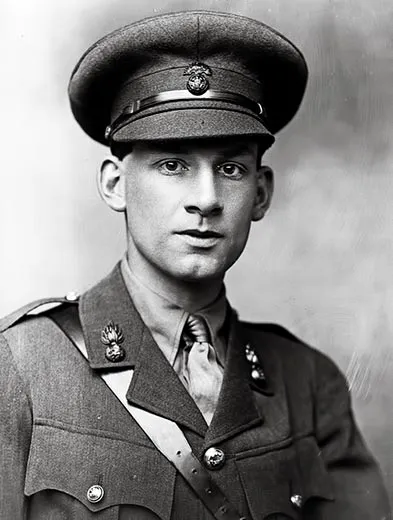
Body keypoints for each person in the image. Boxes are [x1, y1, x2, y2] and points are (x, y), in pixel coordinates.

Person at [0, 10, 390, 520]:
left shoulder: (309, 383)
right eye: (172, 164)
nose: (206, 199)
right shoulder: (22, 367)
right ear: (115, 184)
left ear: (261, 193)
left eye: (230, 168)